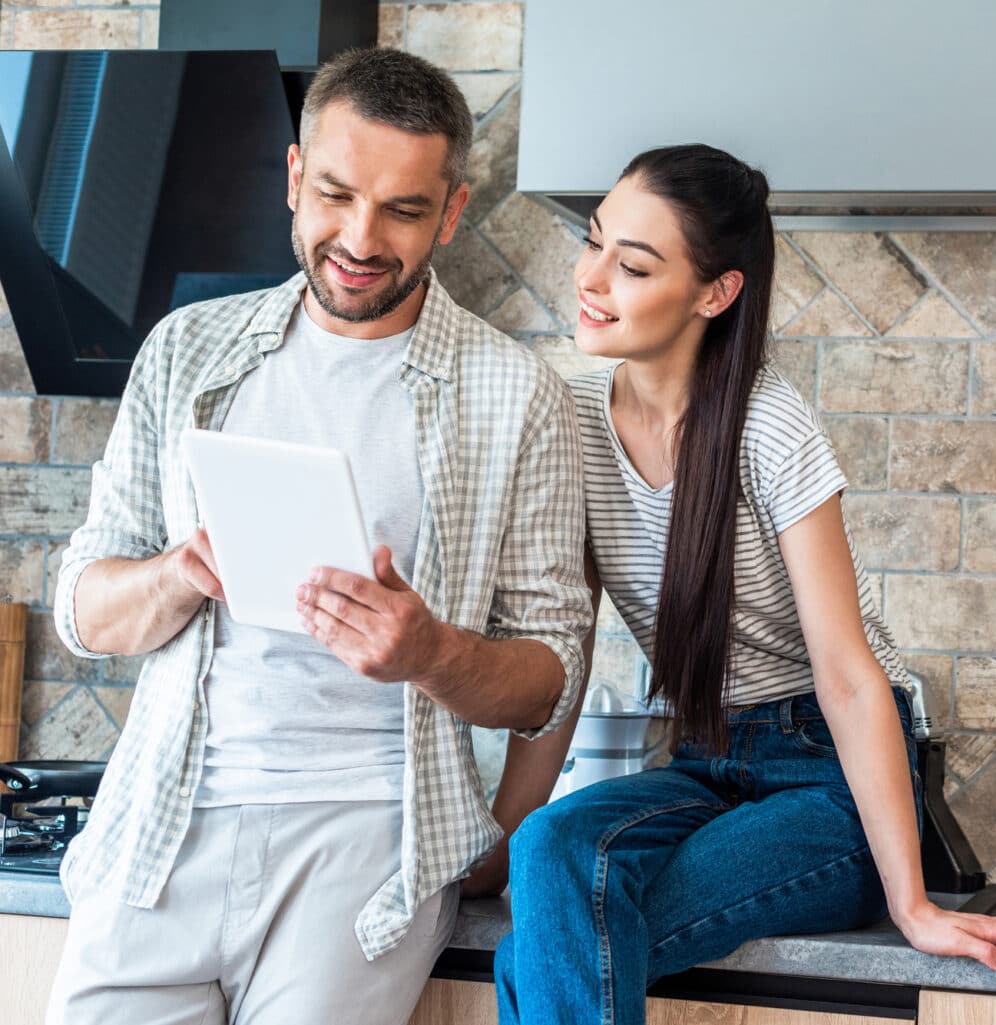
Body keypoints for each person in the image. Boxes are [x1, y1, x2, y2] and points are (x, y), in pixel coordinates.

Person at [46, 47, 591, 1025]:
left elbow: (552, 674)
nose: (360, 236)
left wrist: (432, 652)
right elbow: (84, 610)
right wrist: (178, 573)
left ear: (452, 213)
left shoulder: (519, 394)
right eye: (336, 194)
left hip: (365, 855)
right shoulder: (187, 350)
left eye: (403, 209)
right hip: (154, 841)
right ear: (296, 178)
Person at [486, 144, 996, 1025]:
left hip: (827, 783)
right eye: (595, 242)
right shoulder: (569, 412)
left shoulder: (770, 424)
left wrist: (911, 903)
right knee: (550, 853)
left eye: (635, 264)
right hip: (702, 763)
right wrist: (504, 840)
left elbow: (847, 674)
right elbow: (567, 647)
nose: (593, 278)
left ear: (715, 292)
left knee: (553, 943)